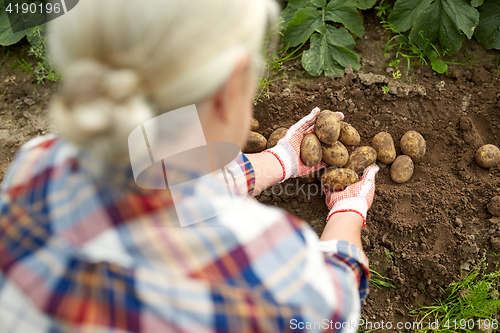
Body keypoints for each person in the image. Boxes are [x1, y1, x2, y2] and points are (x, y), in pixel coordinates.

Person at [0, 0, 379, 332]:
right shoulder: (262, 265)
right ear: (229, 91)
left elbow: (159, 171)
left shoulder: (37, 162)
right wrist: (347, 211)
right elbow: (334, 305)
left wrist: (280, 160)